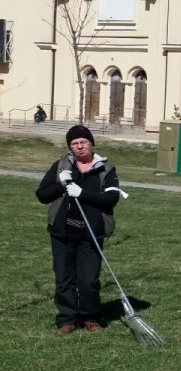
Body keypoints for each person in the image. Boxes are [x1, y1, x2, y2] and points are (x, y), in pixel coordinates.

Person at [35, 125, 124, 334]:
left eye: (83, 142)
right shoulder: (61, 166)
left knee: (88, 280)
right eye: (74, 144)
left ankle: (90, 317)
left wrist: (81, 192)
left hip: (91, 234)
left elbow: (112, 198)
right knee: (64, 278)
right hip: (62, 233)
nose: (80, 146)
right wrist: (61, 184)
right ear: (70, 148)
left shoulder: (106, 169)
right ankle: (66, 319)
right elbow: (41, 195)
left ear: (91, 144)